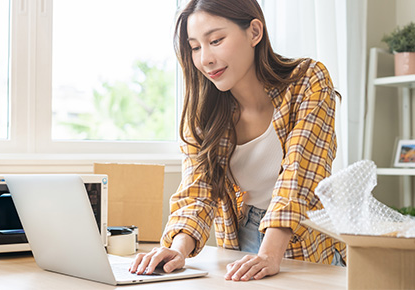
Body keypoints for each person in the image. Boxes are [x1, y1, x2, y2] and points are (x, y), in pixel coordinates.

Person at [130, 0, 346, 281]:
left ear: (254, 32)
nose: (205, 58)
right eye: (195, 47)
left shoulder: (307, 81)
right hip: (241, 238)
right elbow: (197, 189)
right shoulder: (203, 110)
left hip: (305, 239)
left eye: (216, 40)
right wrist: (178, 249)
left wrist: (269, 254)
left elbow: (300, 177)